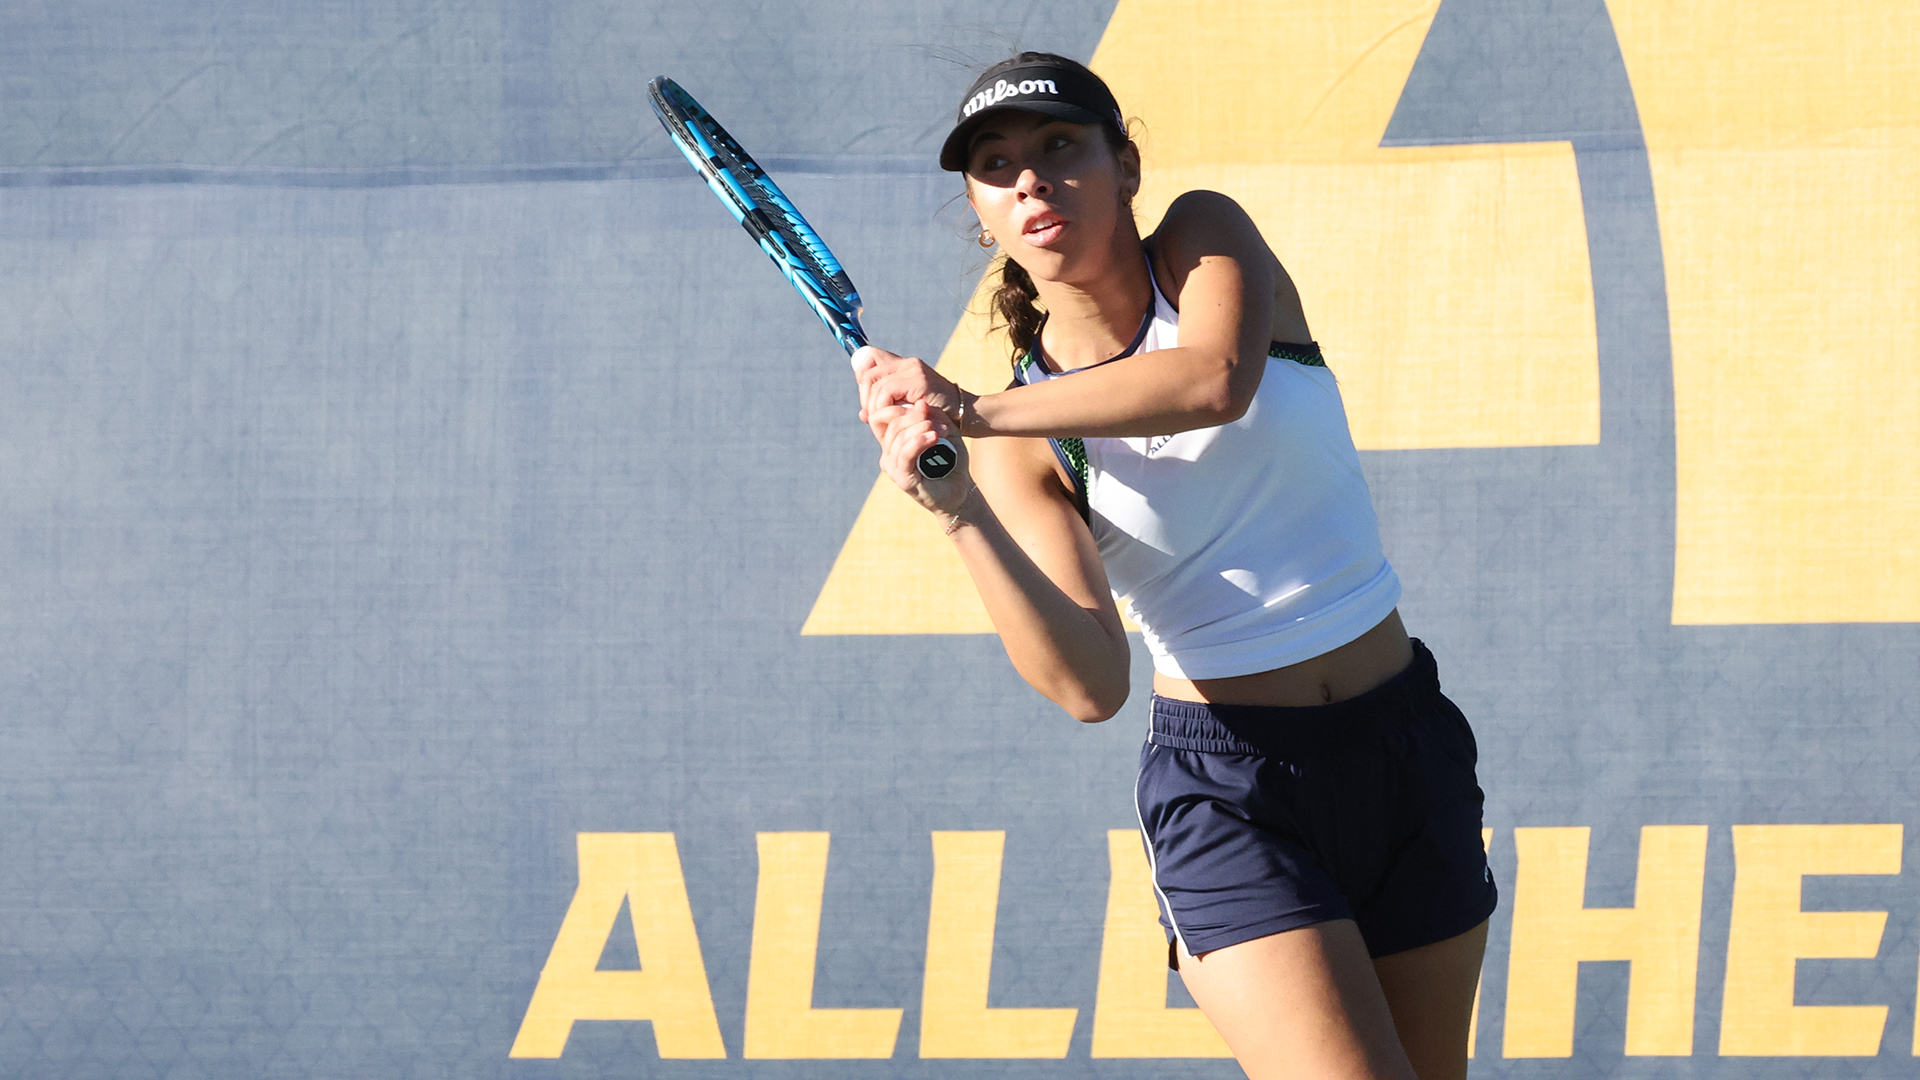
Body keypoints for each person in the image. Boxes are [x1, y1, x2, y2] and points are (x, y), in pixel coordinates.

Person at [852, 53, 1494, 1080]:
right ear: (981, 215)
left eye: (1060, 145)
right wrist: (961, 511)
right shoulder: (1018, 446)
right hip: (1230, 793)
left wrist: (972, 408)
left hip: (1404, 747)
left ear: (1126, 167)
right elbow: (1091, 686)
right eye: (996, 165)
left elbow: (1213, 381)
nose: (1030, 178)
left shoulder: (1202, 240)